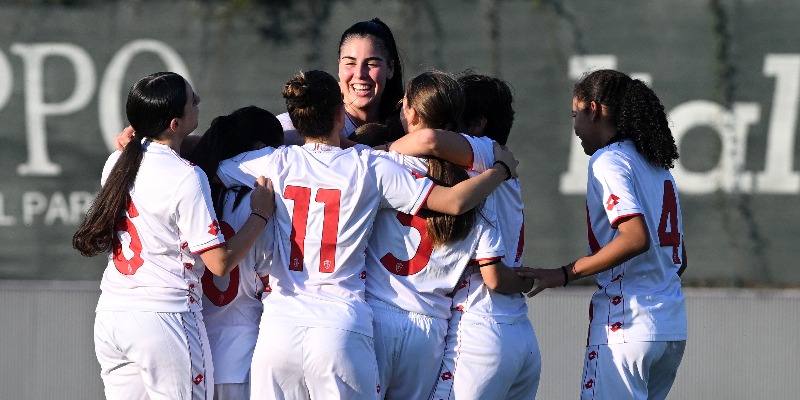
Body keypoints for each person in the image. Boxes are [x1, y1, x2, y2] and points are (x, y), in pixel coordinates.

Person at [215, 70, 518, 399]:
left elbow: (215, 163)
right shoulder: (370, 165)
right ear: (339, 113)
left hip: (278, 330)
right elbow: (454, 202)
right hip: (339, 328)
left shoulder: (274, 162)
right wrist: (500, 170)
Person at [72, 72, 275, 399]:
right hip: (166, 318)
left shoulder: (117, 161)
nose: (199, 103)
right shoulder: (186, 177)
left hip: (113, 315)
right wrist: (260, 214)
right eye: (192, 101)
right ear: (174, 123)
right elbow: (219, 263)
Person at [361, 70, 533, 400]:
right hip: (432, 326)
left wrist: (380, 149)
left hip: (383, 314)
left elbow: (428, 140)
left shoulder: (379, 163)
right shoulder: (484, 174)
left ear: (410, 111)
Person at [517, 69, 688, 400]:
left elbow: (636, 238)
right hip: (670, 327)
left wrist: (565, 273)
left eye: (575, 115)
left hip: (627, 323)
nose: (575, 128)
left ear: (592, 109)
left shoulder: (609, 160)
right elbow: (678, 258)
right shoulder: (656, 165)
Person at [185, 106, 284, 400]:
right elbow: (270, 281)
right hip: (244, 360)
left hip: (195, 356)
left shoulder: (195, 194)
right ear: (261, 150)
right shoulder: (262, 208)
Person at [279, 17, 405, 145]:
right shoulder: (296, 127)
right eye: (350, 63)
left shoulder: (408, 128)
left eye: (371, 64)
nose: (360, 74)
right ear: (339, 67)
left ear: (390, 68)